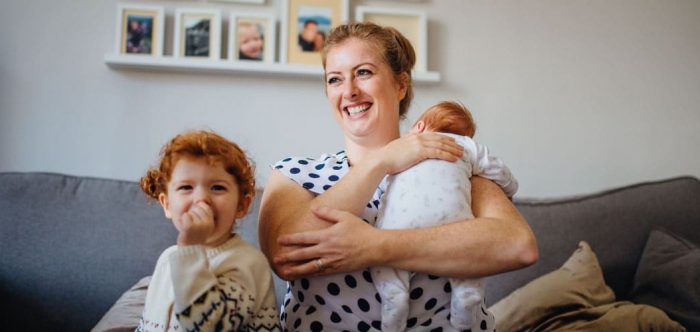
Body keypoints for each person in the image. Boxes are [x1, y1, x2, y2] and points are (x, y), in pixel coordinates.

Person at [259, 22, 538, 331]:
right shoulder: (297, 174)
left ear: (400, 85)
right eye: (335, 79)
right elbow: (285, 256)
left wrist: (374, 246)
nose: (349, 91)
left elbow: (517, 245)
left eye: (363, 72)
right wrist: (381, 161)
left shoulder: (446, 158)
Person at [372, 101, 518, 331]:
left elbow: (379, 184)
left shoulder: (401, 149)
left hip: (398, 225)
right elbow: (499, 171)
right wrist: (510, 191)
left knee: (385, 264)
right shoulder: (467, 146)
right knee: (467, 254)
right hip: (451, 223)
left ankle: (394, 302)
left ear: (418, 126)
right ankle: (466, 296)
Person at [136, 130, 280, 332]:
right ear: (167, 204)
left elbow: (207, 326)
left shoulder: (247, 263)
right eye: (186, 187)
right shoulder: (168, 259)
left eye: (217, 188)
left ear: (242, 205)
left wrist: (190, 247)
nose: (201, 198)